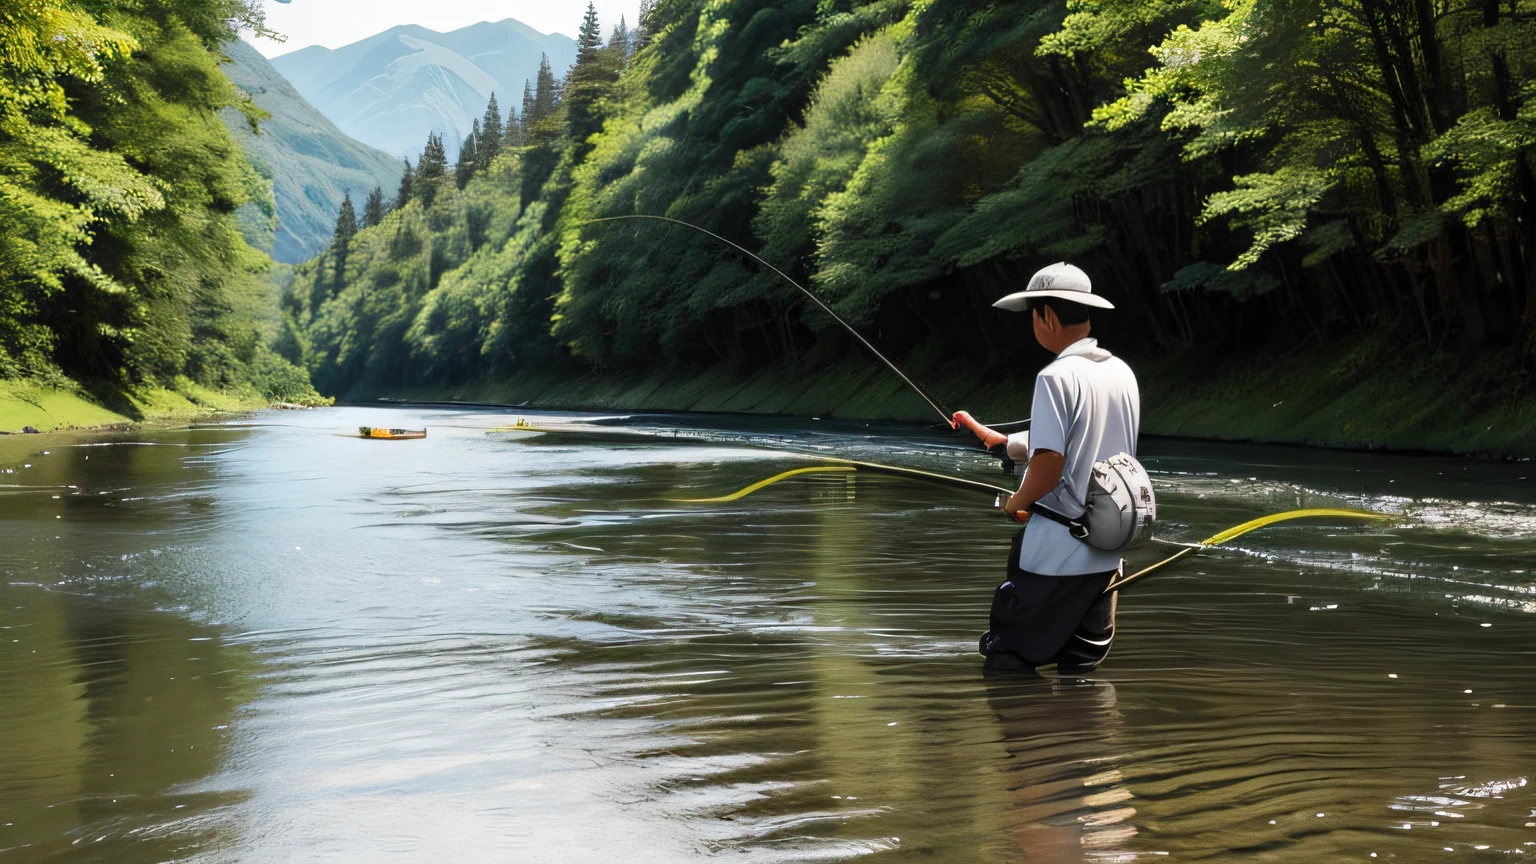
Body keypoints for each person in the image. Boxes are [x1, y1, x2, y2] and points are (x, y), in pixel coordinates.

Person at [953, 262, 1140, 673]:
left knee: (1007, 662)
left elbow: (1051, 463)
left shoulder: (1055, 376)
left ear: (1047, 316)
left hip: (1057, 555)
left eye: (1033, 316)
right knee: (1081, 670)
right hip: (1108, 552)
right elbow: (1082, 438)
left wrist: (1014, 503)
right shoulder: (1120, 371)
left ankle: (1036, 738)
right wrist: (1000, 442)